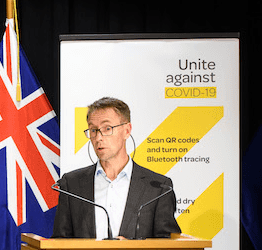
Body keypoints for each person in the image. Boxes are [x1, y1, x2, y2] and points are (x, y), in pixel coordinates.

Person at [52, 97, 181, 239]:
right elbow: (60, 242)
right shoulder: (72, 184)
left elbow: (167, 245)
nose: (98, 137)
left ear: (127, 130)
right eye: (93, 130)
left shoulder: (158, 188)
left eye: (107, 128)